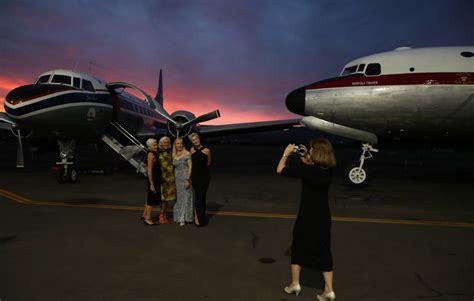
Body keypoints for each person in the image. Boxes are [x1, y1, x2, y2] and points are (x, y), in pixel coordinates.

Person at [276, 138, 337, 300]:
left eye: (310, 149)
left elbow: (280, 169)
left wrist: (286, 154)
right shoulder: (328, 169)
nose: (308, 151)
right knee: (324, 251)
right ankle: (329, 290)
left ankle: (295, 284)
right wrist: (304, 157)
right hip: (323, 217)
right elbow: (311, 167)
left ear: (316, 152)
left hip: (307, 217)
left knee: (298, 248)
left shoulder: (308, 171)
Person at [189, 133, 211, 226]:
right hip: (195, 176)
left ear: (199, 139)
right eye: (193, 140)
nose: (195, 141)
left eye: (196, 139)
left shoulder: (207, 150)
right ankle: (197, 219)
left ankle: (201, 217)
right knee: (198, 198)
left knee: (202, 198)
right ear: (192, 142)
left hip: (205, 176)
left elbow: (208, 163)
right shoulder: (191, 150)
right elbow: (190, 164)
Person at [172, 138, 194, 226]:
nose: (180, 145)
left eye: (181, 143)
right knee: (180, 198)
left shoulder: (187, 153)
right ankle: (179, 216)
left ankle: (184, 218)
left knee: (187, 197)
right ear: (175, 145)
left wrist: (187, 179)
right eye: (177, 144)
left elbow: (190, 167)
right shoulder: (174, 154)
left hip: (185, 178)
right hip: (177, 179)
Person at [157, 136, 177, 224]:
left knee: (174, 197)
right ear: (160, 144)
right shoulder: (158, 153)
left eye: (167, 142)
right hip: (163, 178)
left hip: (172, 178)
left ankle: (177, 214)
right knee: (164, 199)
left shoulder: (170, 152)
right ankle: (162, 214)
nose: (166, 144)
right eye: (164, 142)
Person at [142, 138, 161, 226]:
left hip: (154, 179)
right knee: (151, 199)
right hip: (153, 180)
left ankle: (144, 214)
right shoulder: (151, 155)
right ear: (149, 147)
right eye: (154, 145)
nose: (156, 146)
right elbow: (149, 170)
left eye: (156, 144)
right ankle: (147, 218)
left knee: (149, 197)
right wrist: (152, 184)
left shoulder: (153, 153)